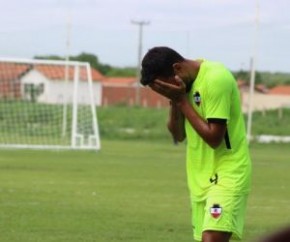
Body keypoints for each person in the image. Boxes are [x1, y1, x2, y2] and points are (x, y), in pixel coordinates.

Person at [140, 46, 252, 242]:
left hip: (228, 174)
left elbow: (214, 138)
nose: (164, 92)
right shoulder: (182, 89)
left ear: (177, 69)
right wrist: (175, 101)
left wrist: (182, 100)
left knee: (211, 238)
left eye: (163, 86)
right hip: (199, 179)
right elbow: (178, 135)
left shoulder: (216, 78)